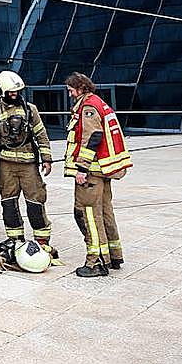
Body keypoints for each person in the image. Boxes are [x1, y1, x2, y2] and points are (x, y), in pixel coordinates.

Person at [63, 72, 132, 277]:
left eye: (71, 90)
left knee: (88, 215)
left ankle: (96, 262)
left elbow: (93, 137)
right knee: (105, 212)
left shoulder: (88, 107)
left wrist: (82, 169)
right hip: (102, 170)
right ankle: (114, 256)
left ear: (81, 88)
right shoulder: (98, 103)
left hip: (91, 173)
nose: (70, 94)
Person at [0, 71, 54, 255]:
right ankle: (15, 240)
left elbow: (41, 135)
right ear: (2, 91)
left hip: (29, 164)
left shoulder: (30, 109)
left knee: (35, 202)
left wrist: (46, 159)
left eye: (17, 91)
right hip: (6, 166)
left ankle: (42, 241)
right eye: (11, 92)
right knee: (9, 204)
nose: (14, 94)